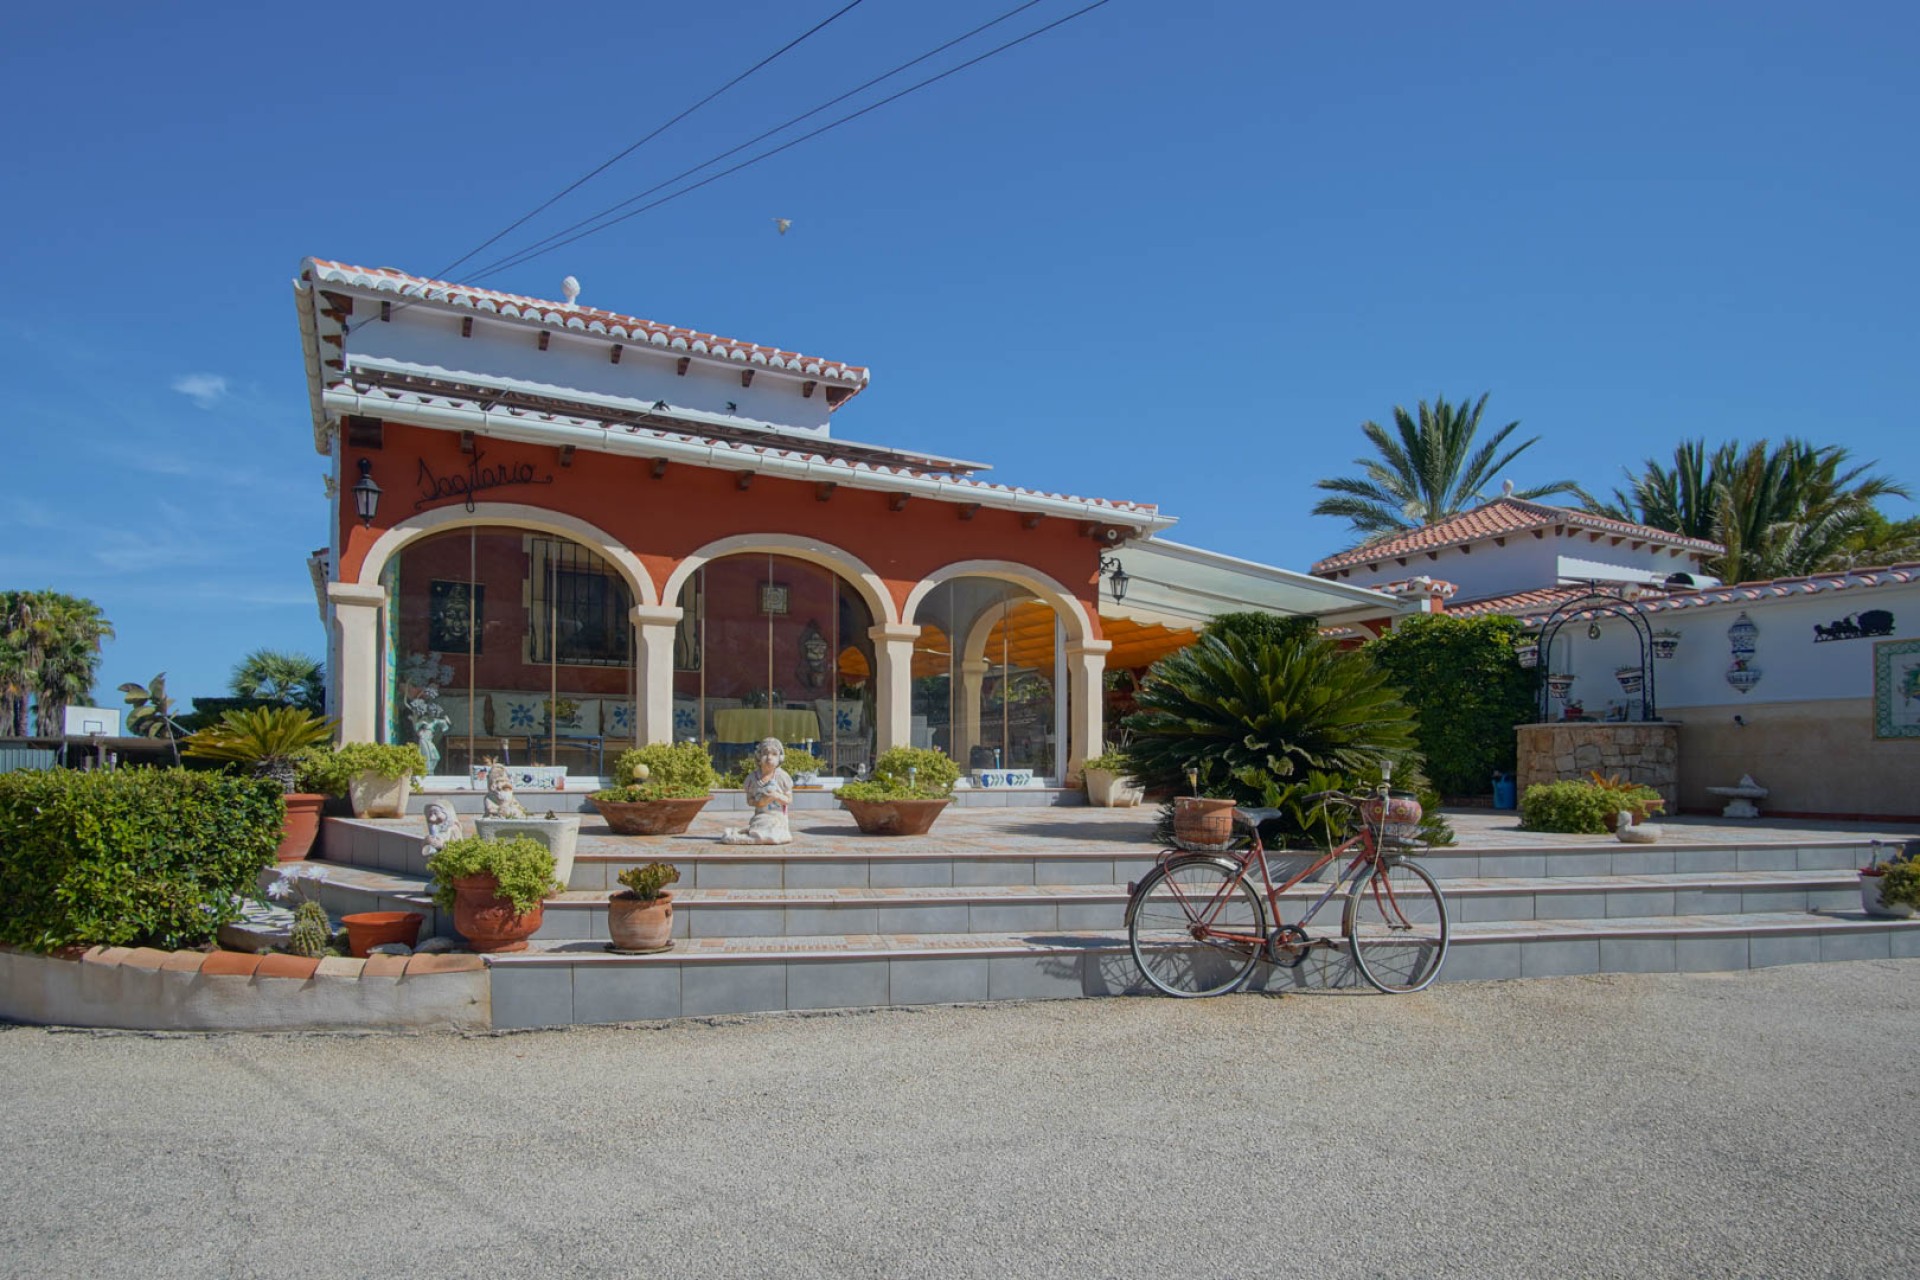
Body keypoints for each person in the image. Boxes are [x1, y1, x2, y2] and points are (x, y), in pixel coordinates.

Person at [721, 737, 793, 845]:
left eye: (774, 754)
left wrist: (776, 796)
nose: (769, 757)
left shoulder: (782, 777)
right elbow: (749, 801)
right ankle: (744, 835)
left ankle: (743, 836)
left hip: (778, 817)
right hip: (760, 816)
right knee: (761, 832)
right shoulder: (752, 778)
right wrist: (760, 802)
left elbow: (788, 800)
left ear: (780, 758)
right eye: (765, 753)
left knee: (774, 835)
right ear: (759, 756)